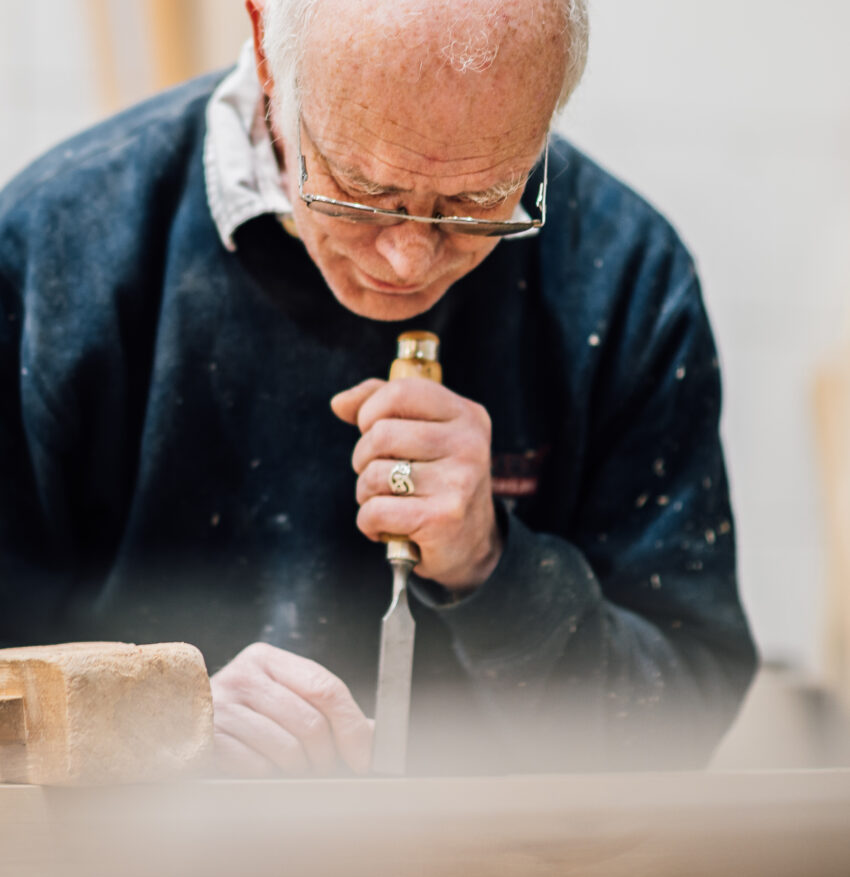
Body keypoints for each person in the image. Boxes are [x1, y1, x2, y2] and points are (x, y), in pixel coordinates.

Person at [0, 0, 756, 776]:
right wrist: (152, 716)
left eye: (474, 204)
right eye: (360, 191)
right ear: (266, 51)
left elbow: (686, 715)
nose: (407, 261)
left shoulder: (625, 278)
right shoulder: (53, 261)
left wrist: (498, 569)